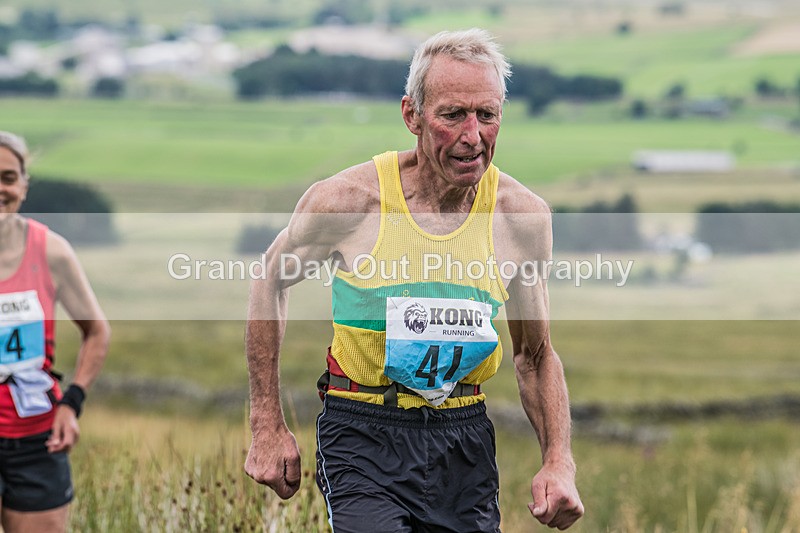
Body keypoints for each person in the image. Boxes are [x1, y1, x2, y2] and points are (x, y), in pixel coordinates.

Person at [245, 29, 584, 531]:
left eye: (487, 115)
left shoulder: (521, 219)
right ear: (412, 116)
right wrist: (266, 422)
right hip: (362, 431)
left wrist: (559, 460)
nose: (473, 135)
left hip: (463, 437)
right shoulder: (349, 202)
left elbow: (534, 356)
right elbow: (269, 279)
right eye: (453, 115)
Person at [0, 131, 110, 532]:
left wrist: (72, 402)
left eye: (8, 177)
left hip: (37, 438)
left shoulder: (50, 250)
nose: (1, 188)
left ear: (24, 186)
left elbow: (97, 331)